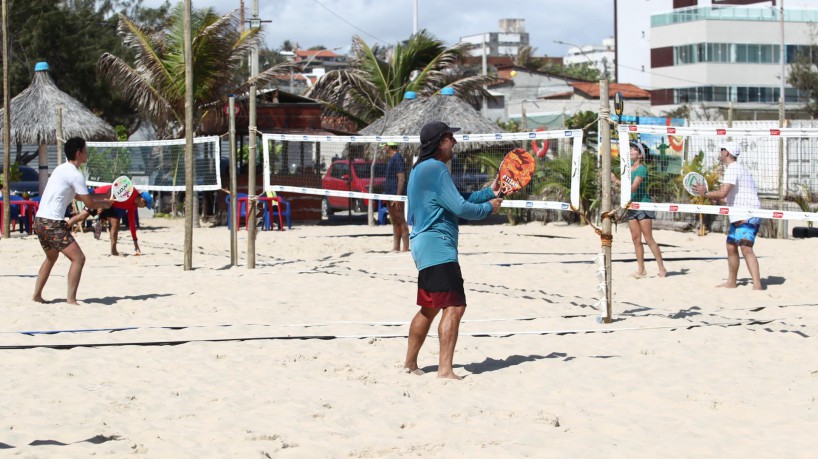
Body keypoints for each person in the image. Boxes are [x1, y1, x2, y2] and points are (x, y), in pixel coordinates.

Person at [403, 120, 503, 380]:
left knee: (430, 307)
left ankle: (410, 363)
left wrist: (487, 193)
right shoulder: (436, 168)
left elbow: (455, 200)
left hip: (423, 246)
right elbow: (461, 209)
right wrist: (488, 209)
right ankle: (445, 371)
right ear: (440, 142)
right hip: (438, 247)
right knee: (455, 307)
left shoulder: (419, 169)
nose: (455, 142)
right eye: (450, 137)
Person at [32, 137, 113, 304]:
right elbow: (89, 202)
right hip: (52, 223)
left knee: (51, 257)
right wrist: (105, 203)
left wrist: (104, 197)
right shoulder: (76, 174)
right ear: (79, 152)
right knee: (79, 258)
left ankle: (37, 296)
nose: (87, 153)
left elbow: (78, 196)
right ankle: (71, 300)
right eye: (85, 150)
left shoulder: (60, 169)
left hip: (39, 220)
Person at [693, 142, 763, 290]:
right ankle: (731, 282)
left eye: (721, 150)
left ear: (727, 153)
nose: (720, 152)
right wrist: (714, 197)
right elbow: (727, 197)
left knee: (746, 248)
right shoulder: (736, 169)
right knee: (731, 246)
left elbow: (723, 192)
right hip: (739, 213)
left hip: (748, 213)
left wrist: (705, 193)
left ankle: (757, 286)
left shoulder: (733, 168)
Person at [611, 141, 667, 278]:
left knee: (649, 239)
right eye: (630, 148)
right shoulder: (628, 167)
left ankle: (661, 267)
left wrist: (615, 180)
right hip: (631, 206)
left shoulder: (642, 169)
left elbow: (633, 187)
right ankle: (641, 270)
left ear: (640, 155)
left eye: (634, 149)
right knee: (636, 239)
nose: (631, 150)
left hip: (643, 205)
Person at [79, 187, 152, 256]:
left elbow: (132, 223)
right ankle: (99, 220)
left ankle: (101, 220)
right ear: (142, 200)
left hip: (111, 204)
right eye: (145, 206)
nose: (143, 207)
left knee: (115, 223)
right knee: (82, 215)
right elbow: (114, 192)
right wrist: (102, 205)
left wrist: (135, 242)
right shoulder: (131, 191)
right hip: (101, 194)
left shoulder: (133, 206)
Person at [382, 142, 409, 251]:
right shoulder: (392, 158)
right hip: (390, 193)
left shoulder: (398, 158)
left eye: (385, 145)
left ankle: (406, 248)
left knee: (400, 220)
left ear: (389, 146)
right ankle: (396, 247)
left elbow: (401, 178)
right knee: (394, 220)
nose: (384, 148)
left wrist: (397, 197)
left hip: (395, 194)